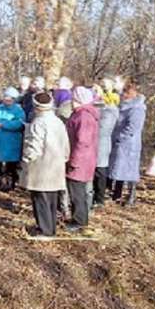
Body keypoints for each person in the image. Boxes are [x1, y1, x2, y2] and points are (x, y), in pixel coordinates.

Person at [19, 92, 70, 239]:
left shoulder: (38, 123)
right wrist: (64, 158)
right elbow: (66, 144)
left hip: (41, 167)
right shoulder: (58, 121)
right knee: (52, 200)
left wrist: (26, 159)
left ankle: (44, 231)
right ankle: (50, 228)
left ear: (36, 106)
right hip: (56, 166)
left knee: (40, 200)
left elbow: (34, 147)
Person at [65, 86, 99, 232]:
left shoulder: (83, 117)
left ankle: (79, 220)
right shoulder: (80, 114)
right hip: (83, 159)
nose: (71, 102)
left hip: (81, 161)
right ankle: (77, 217)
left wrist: (74, 161)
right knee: (76, 190)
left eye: (73, 99)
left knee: (77, 191)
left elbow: (82, 142)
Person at [108, 82, 147, 207]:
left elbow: (133, 127)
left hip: (130, 143)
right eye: (123, 92)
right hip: (119, 141)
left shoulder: (137, 108)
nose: (123, 95)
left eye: (126, 93)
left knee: (130, 170)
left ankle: (132, 196)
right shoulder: (122, 105)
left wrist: (121, 137)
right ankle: (117, 193)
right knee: (118, 168)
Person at [0, 87, 26, 190]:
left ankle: (9, 184)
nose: (7, 100)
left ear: (14, 99)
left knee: (11, 166)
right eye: (5, 98)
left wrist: (3, 124)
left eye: (10, 98)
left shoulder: (18, 111)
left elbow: (20, 124)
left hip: (11, 142)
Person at [92, 84, 118, 208]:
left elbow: (104, 128)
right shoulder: (96, 107)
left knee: (100, 171)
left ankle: (100, 198)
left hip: (101, 143)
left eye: (96, 91)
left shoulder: (110, 110)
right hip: (92, 143)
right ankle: (93, 196)